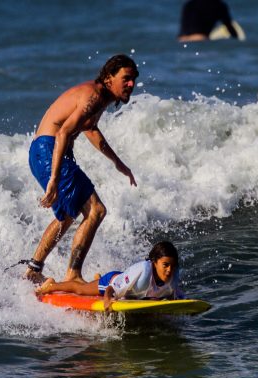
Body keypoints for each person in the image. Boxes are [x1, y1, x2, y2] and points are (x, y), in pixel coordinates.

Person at [24, 54, 139, 285]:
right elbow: (64, 132)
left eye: (134, 79)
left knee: (68, 214)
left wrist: (118, 163)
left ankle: (33, 270)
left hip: (44, 151)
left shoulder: (100, 98)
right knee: (96, 210)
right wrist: (54, 179)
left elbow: (91, 130)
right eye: (126, 78)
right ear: (108, 77)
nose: (131, 84)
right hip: (50, 149)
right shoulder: (94, 96)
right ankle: (73, 276)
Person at [36, 241, 185, 311]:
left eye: (172, 265)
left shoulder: (172, 275)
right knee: (81, 289)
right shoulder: (143, 271)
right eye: (165, 265)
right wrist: (107, 301)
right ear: (154, 262)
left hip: (128, 286)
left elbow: (177, 296)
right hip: (111, 281)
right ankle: (51, 285)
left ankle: (96, 278)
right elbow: (111, 289)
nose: (169, 270)